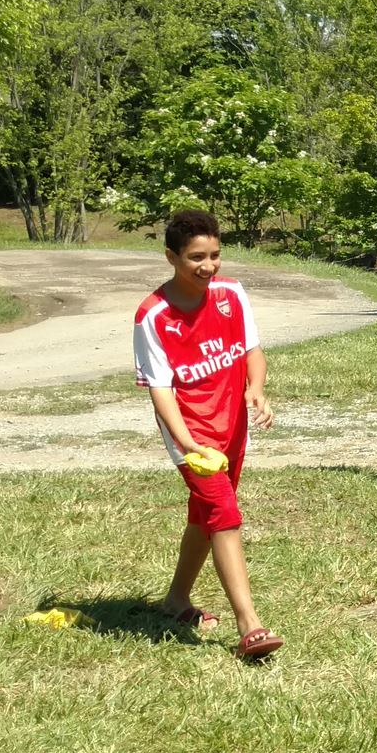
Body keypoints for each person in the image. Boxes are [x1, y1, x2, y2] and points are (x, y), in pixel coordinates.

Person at [131, 209, 281, 659]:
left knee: (205, 515)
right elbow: (160, 390)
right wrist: (187, 443)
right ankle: (250, 626)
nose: (208, 265)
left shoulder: (232, 294)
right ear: (171, 257)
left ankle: (176, 600)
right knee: (224, 513)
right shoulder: (153, 315)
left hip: (232, 426)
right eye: (196, 257)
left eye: (215, 255)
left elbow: (252, 351)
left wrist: (256, 390)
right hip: (191, 433)